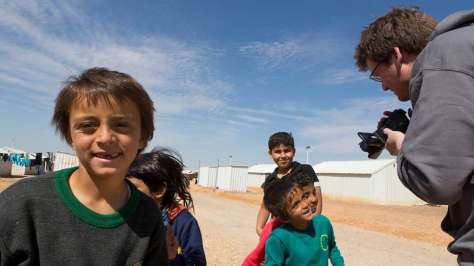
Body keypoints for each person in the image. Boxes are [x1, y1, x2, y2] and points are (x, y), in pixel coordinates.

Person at [0, 67, 167, 265]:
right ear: (70, 135)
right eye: (88, 125)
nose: (105, 138)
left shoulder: (148, 217)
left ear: (143, 136)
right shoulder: (21, 204)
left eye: (121, 124)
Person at [355, 7, 474, 264]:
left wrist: (401, 145)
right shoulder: (464, 50)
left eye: (378, 76)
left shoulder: (442, 58)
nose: (384, 86)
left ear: (396, 55)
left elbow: (435, 181)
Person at [244, 132, 322, 265]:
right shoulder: (270, 180)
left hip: (302, 234)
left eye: (287, 150)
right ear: (271, 154)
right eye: (278, 151)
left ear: (294, 151)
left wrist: (304, 231)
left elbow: (317, 204)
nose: (283, 155)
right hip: (278, 234)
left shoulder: (305, 170)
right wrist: (262, 232)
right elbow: (265, 207)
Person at [128, 148, 207, 266]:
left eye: (133, 188)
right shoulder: (130, 215)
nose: (126, 192)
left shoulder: (183, 222)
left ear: (159, 190)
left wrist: (173, 258)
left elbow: (197, 262)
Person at [264, 174, 344, 266]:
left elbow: (332, 248)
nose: (305, 205)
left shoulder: (323, 223)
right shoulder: (278, 239)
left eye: (303, 197)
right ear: (285, 218)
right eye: (296, 204)